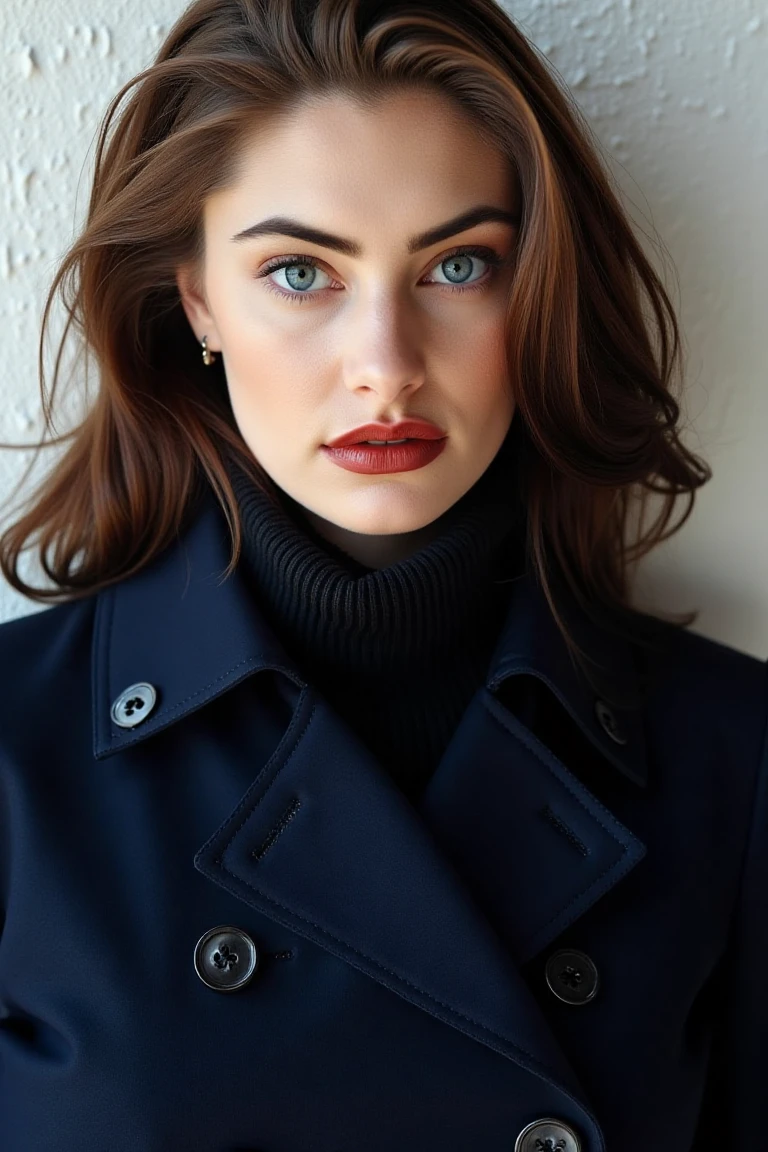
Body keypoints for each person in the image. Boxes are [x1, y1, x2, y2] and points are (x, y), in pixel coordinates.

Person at [0, 0, 765, 1149]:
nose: (386, 369)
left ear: (539, 286)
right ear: (197, 298)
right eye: (300, 273)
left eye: (458, 265)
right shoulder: (16, 748)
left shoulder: (729, 756)